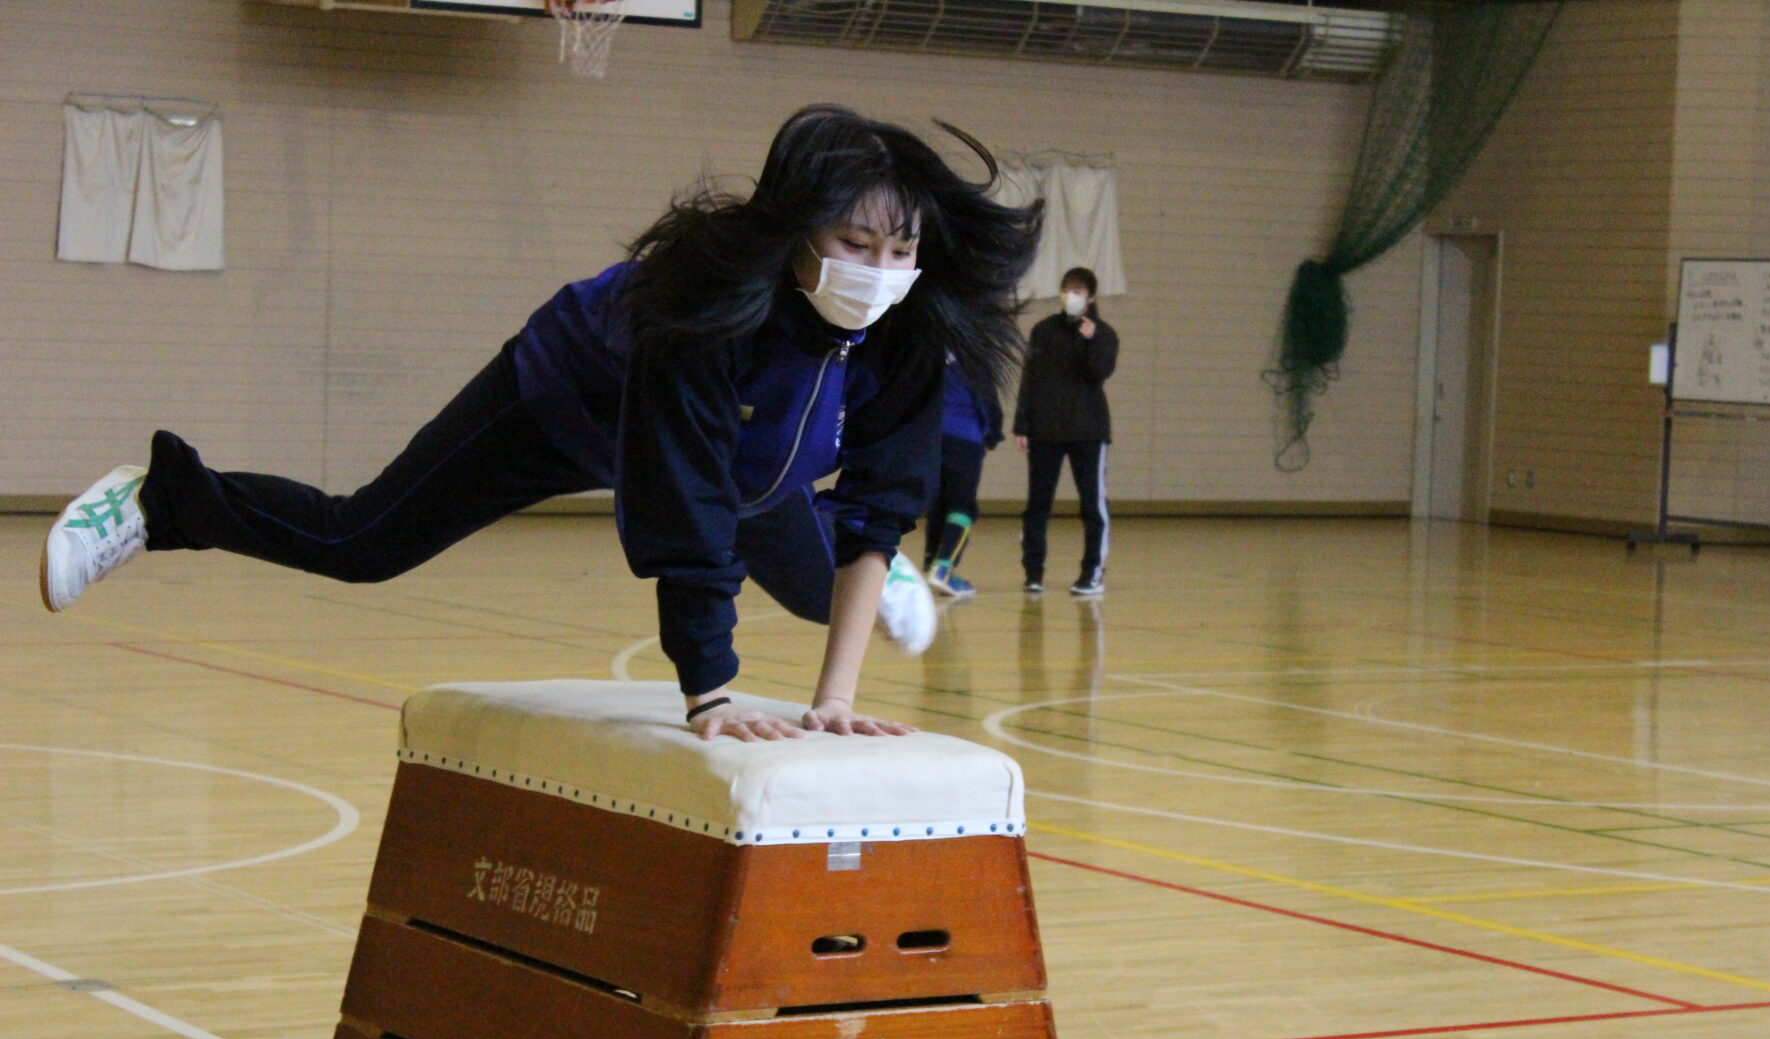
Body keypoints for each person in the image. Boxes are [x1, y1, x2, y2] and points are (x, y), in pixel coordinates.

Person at [38, 105, 1041, 743]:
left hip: (752, 456)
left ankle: (843, 568)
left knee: (842, 591)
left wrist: (833, 701)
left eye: (897, 245)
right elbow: (681, 505)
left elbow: (882, 494)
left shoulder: (911, 320)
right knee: (362, 543)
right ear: (794, 233)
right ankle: (162, 499)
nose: (878, 266)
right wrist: (711, 697)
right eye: (851, 239)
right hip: (572, 395)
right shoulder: (702, 303)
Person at [1013, 266, 1119, 597]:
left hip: (1088, 431)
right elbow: (1029, 379)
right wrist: (1022, 424)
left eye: (1077, 290)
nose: (1070, 295)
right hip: (1046, 430)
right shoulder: (1044, 331)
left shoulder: (1104, 334)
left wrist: (1091, 341)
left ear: (1091, 297)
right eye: (1066, 289)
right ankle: (1033, 572)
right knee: (1037, 505)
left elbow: (1099, 373)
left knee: (1092, 505)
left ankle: (1092, 574)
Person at [922, 351, 1004, 599]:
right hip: (964, 436)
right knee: (962, 507)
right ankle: (944, 567)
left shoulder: (928, 356)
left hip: (931, 436)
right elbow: (988, 400)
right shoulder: (974, 357)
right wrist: (992, 435)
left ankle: (930, 564)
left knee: (940, 503)